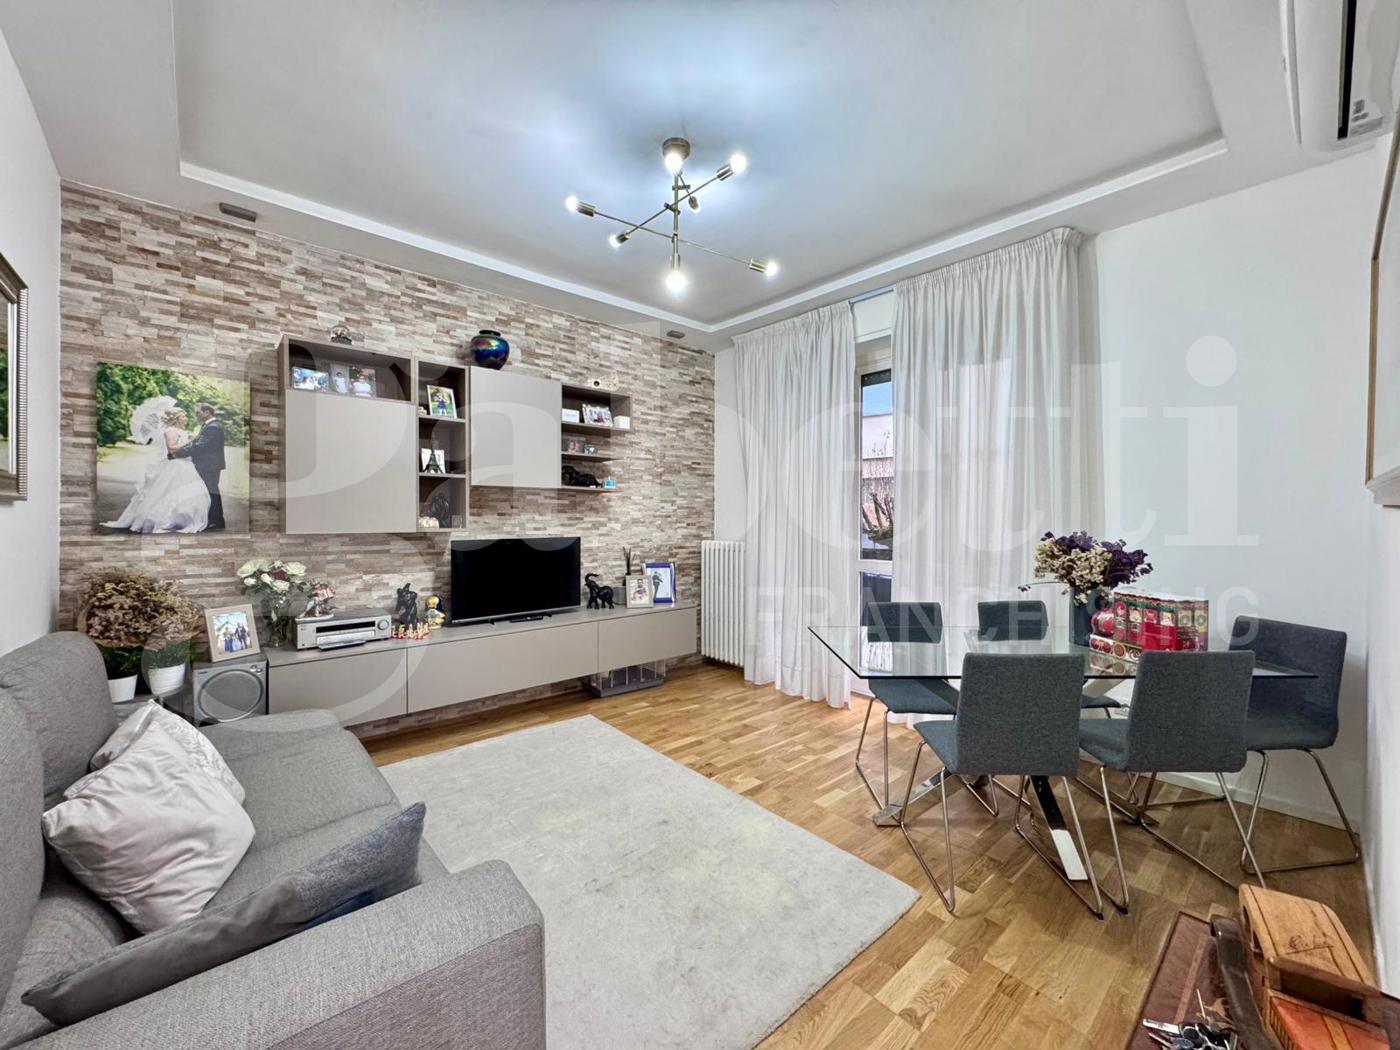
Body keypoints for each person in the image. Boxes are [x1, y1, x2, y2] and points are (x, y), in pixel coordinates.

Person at [102, 407, 210, 533]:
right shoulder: (170, 431)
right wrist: (190, 442)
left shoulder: (182, 431)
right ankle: (165, 520)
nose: (186, 418)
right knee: (168, 492)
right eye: (183, 416)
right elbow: (171, 448)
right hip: (176, 465)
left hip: (186, 464)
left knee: (190, 493)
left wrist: (192, 440)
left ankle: (184, 520)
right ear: (176, 419)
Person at [169, 402, 226, 530]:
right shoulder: (209, 425)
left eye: (198, 413)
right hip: (209, 464)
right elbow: (199, 443)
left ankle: (216, 521)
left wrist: (177, 454)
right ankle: (214, 519)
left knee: (211, 491)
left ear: (207, 412)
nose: (197, 415)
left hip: (209, 465)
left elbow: (199, 446)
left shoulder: (212, 427)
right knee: (209, 491)